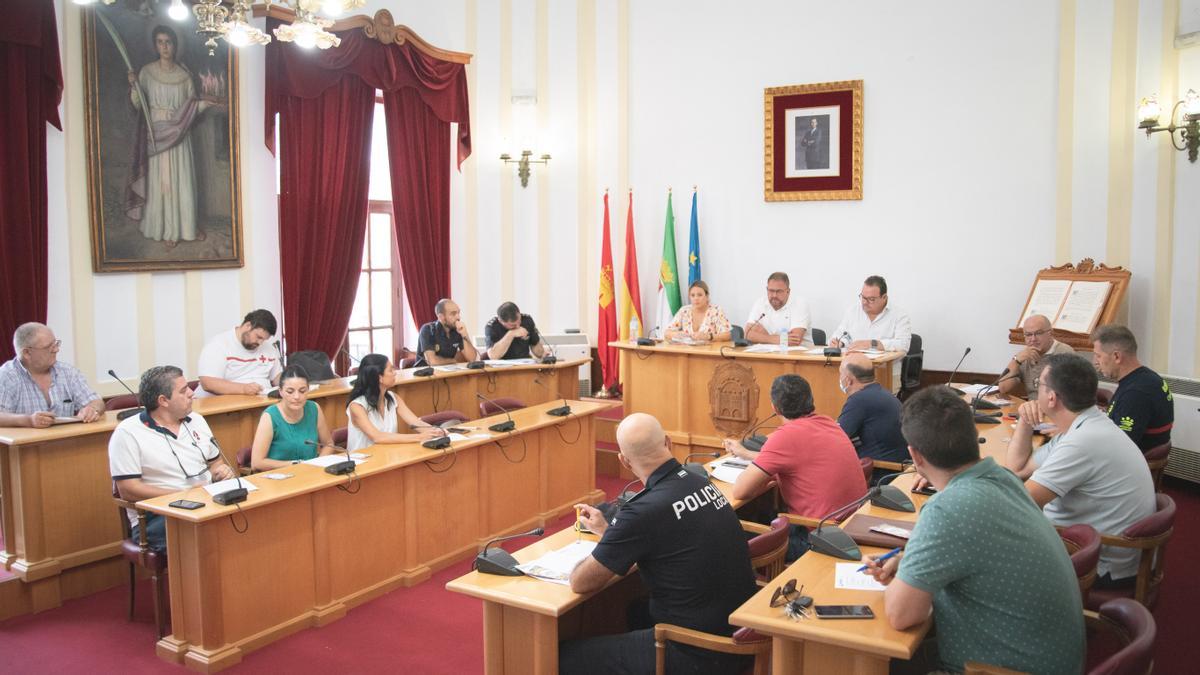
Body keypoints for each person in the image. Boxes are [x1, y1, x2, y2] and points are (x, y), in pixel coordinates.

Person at [862, 386, 1084, 674]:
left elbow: (901, 615)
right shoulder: (1001, 477)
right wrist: (908, 561)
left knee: (861, 660)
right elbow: (978, 548)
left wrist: (901, 580)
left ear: (915, 457)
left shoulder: (948, 508)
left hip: (1002, 669)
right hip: (1046, 657)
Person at [561, 413, 758, 675]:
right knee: (632, 610)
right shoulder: (700, 481)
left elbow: (581, 582)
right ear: (668, 442)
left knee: (564, 656)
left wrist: (613, 539)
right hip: (740, 632)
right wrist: (611, 533)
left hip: (698, 651)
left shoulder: (642, 511)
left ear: (624, 461)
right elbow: (667, 533)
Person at [1004, 353, 1156, 588]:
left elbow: (1022, 504)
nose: (1036, 391)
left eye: (1039, 386)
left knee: (985, 545)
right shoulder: (1085, 424)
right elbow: (1017, 468)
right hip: (1095, 544)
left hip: (1098, 562)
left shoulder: (1082, 442)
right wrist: (1025, 421)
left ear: (1052, 398)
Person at [726, 374, 866, 559]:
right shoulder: (829, 423)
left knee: (729, 532)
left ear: (775, 408)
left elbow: (739, 492)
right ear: (811, 401)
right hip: (849, 530)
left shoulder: (786, 436)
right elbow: (800, 459)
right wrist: (746, 454)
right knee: (765, 512)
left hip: (818, 539)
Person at [108, 365, 237, 551]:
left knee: (245, 519)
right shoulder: (128, 432)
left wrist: (220, 472)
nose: (192, 393)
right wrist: (183, 494)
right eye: (184, 390)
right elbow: (128, 489)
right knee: (212, 534)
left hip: (207, 502)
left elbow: (216, 462)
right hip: (158, 514)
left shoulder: (197, 420)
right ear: (163, 400)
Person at [126, 25, 222, 247]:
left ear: (174, 45)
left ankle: (184, 227)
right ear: (155, 45)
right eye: (160, 42)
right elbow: (138, 103)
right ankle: (163, 229)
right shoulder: (147, 72)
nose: (164, 46)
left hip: (179, 135)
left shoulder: (184, 76)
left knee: (182, 181)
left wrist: (205, 104)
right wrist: (134, 86)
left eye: (168, 42)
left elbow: (190, 109)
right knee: (162, 182)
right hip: (155, 132)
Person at [0, 322, 104, 427]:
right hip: (26, 442)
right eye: (49, 347)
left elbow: (96, 401)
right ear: (27, 353)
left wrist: (92, 409)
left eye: (56, 344)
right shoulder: (6, 376)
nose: (56, 349)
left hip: (67, 440)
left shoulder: (68, 372)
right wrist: (29, 420)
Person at [1092, 324, 1174, 451]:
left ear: (1116, 356)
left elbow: (1120, 446)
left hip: (1128, 463)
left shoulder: (1135, 393)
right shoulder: (1147, 377)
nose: (1095, 362)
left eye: (1098, 356)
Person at [345, 354, 442, 451]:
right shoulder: (357, 406)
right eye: (390, 370)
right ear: (380, 378)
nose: (395, 373)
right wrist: (420, 437)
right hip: (363, 462)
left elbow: (415, 423)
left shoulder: (393, 397)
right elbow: (377, 437)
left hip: (388, 455)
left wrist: (436, 431)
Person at [248, 365, 333, 472]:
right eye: (290, 391)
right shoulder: (270, 416)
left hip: (310, 473)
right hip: (278, 478)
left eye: (302, 391)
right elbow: (256, 463)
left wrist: (317, 465)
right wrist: (293, 465)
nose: (297, 397)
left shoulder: (314, 408)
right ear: (281, 391)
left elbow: (328, 444)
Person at [836, 353, 909, 465]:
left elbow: (836, 437)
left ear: (848, 380)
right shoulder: (881, 393)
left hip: (883, 470)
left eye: (840, 373)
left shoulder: (858, 400)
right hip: (899, 463)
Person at [195, 309, 282, 398]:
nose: (260, 343)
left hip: (260, 402)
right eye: (258, 337)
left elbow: (277, 379)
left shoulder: (269, 349)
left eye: (264, 339)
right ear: (248, 325)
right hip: (225, 405)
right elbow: (208, 383)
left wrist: (291, 379)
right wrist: (243, 389)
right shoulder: (218, 344)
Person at [997, 314, 1074, 399]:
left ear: (1051, 333)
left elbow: (1069, 394)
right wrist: (1016, 361)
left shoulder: (1065, 353)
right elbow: (1003, 388)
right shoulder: (1024, 355)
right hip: (1031, 409)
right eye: (1028, 334)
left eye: (1038, 333)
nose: (1033, 339)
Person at [829, 275, 911, 353]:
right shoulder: (852, 311)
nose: (864, 302)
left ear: (884, 297)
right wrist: (840, 343)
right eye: (863, 297)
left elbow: (903, 345)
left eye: (871, 299)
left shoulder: (900, 315)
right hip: (853, 364)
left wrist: (872, 344)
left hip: (884, 366)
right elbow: (841, 335)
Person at [743, 271, 812, 347]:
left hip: (798, 355)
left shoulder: (800, 304)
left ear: (788, 291)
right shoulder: (760, 303)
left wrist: (762, 336)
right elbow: (747, 334)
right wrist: (778, 339)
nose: (774, 295)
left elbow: (794, 341)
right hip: (767, 354)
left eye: (779, 291)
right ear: (767, 289)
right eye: (771, 291)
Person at [415, 298, 479, 367]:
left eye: (458, 313)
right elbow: (432, 361)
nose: (458, 317)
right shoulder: (428, 330)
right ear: (441, 317)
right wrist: (453, 360)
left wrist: (465, 334)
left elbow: (472, 359)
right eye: (453, 314)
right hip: (425, 374)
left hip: (447, 373)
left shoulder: (457, 330)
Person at [663, 280, 732, 343]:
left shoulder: (716, 310)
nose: (696, 298)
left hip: (710, 353)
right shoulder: (684, 310)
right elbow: (666, 332)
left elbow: (727, 335)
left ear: (707, 296)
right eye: (692, 295)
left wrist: (708, 336)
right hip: (687, 353)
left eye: (699, 295)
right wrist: (676, 334)